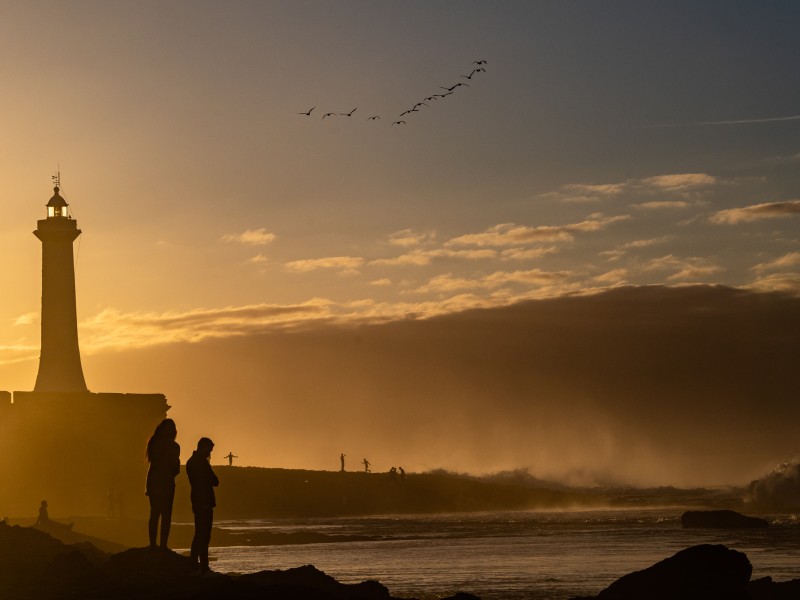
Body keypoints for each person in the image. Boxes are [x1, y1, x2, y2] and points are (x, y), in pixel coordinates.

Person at [145, 418, 180, 550]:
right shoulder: (174, 447)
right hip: (166, 482)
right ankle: (163, 545)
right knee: (166, 515)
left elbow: (154, 461)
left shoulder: (153, 443)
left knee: (154, 513)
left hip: (154, 481)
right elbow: (176, 469)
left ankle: (153, 544)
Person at [186, 437, 219, 574]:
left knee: (199, 534)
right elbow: (215, 481)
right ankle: (203, 566)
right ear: (204, 448)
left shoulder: (191, 462)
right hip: (204, 501)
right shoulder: (201, 463)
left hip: (197, 500)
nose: (210, 453)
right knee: (204, 535)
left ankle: (194, 563)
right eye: (209, 450)